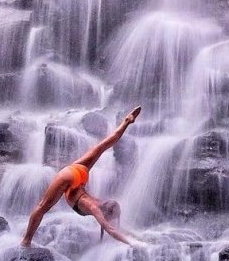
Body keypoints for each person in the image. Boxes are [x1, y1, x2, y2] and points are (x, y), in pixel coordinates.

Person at [20, 106, 141, 248]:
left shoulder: (98, 204)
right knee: (42, 207)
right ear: (106, 213)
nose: (110, 219)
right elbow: (111, 229)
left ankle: (126, 122)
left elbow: (113, 228)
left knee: (104, 144)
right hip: (71, 178)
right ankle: (26, 241)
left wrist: (134, 236)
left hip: (79, 172)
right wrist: (135, 243)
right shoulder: (94, 207)